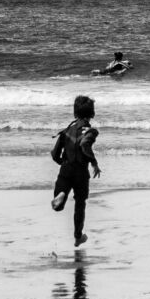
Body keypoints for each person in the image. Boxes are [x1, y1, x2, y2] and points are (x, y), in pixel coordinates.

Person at [51, 95, 102, 247]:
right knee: (80, 204)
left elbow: (54, 154)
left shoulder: (66, 131)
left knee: (58, 205)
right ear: (92, 113)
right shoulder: (91, 131)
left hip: (66, 169)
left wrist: (63, 164)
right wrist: (94, 162)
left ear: (75, 113)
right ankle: (78, 236)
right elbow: (85, 144)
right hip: (81, 172)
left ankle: (61, 196)